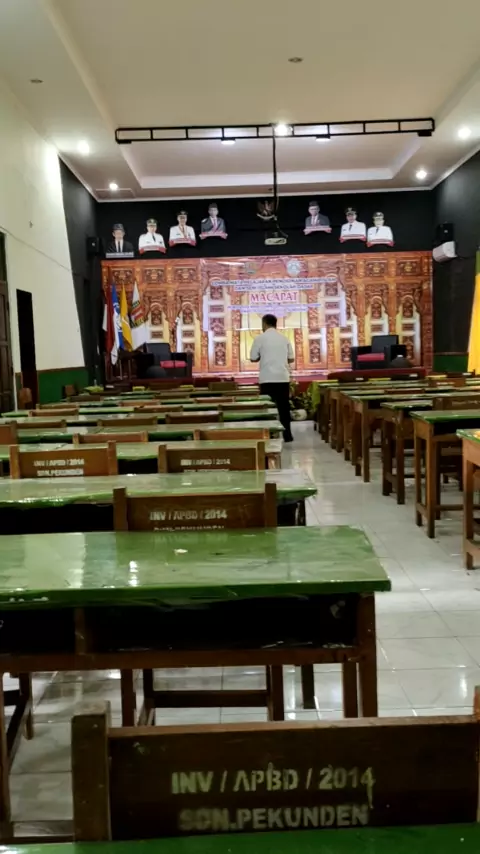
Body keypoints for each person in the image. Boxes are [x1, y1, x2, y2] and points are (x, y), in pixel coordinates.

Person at [250, 314, 294, 442]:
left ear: (264, 324)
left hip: (267, 378)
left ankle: (268, 435)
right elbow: (291, 358)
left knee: (267, 408)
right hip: (282, 378)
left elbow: (253, 358)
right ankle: (287, 435)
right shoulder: (284, 339)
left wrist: (263, 356)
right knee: (284, 408)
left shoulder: (259, 339)